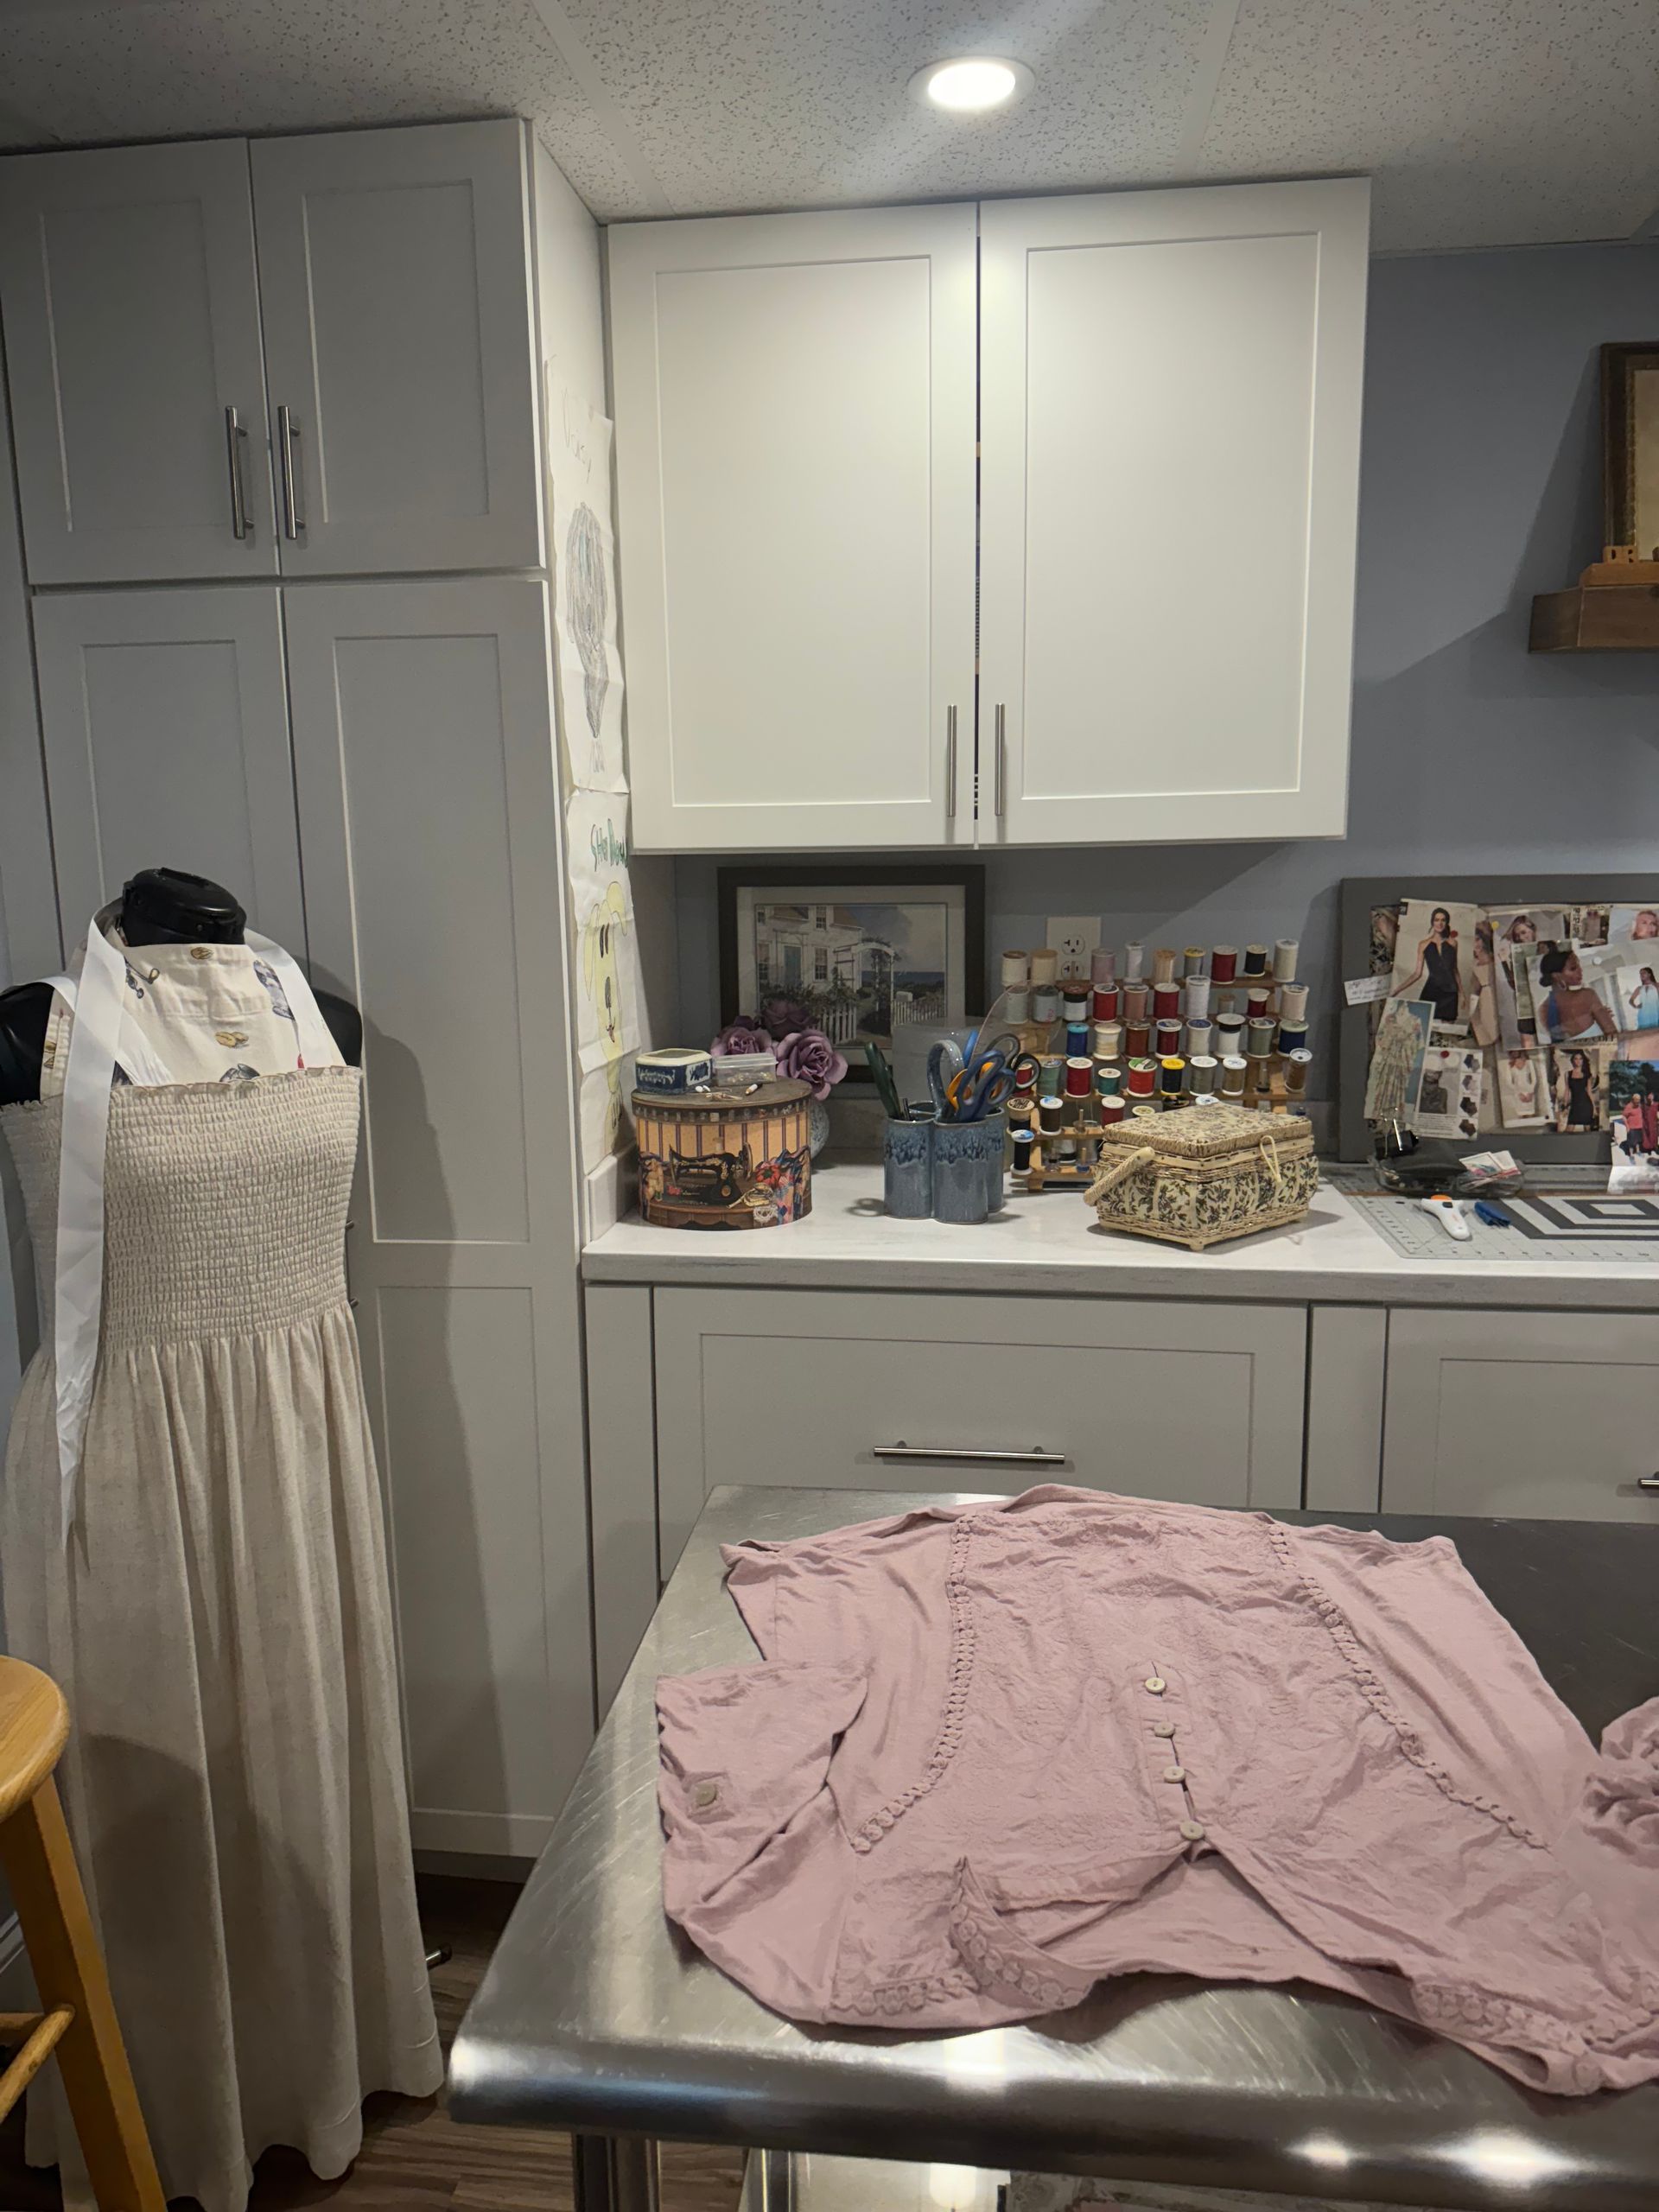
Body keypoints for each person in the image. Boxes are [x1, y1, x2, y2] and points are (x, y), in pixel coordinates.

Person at [1393, 906, 1463, 1026]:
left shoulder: (1453, 943)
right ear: (1432, 922)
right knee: (1421, 1028)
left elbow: (1455, 969)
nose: (1439, 923)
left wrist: (1462, 994)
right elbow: (1417, 974)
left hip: (1450, 993)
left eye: (1443, 920)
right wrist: (1397, 990)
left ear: (1447, 922)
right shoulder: (1423, 944)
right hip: (1431, 991)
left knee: (1447, 1030)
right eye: (1436, 920)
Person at [1536, 947, 1617, 1041]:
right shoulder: (1588, 996)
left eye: (1579, 966)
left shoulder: (1543, 1009)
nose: (1581, 971)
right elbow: (1613, 1035)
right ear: (1556, 976)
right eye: (1573, 968)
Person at [1557, 1049, 1599, 1132]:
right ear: (1573, 1060)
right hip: (1575, 1105)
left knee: (1587, 1130)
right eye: (1576, 1059)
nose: (1578, 1061)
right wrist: (1565, 1106)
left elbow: (1589, 1092)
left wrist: (1594, 1108)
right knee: (1569, 1130)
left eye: (1580, 1059)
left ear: (1583, 1061)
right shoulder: (1567, 1074)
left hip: (1586, 1105)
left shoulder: (1587, 1074)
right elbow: (1567, 1090)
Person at [1626, 965, 1659, 1031]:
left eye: (1644, 973)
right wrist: (1635, 1006)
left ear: (1649, 974)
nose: (1641, 975)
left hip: (1656, 1013)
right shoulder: (1639, 988)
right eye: (1640, 974)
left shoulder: (1657, 985)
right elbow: (1631, 1000)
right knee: (1644, 1033)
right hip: (1643, 1014)